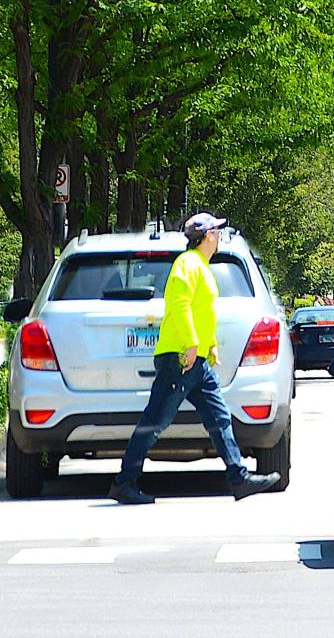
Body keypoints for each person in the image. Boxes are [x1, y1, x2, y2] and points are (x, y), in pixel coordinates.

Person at [111, 214, 282, 505]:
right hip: (179, 358)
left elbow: (202, 312)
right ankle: (124, 483)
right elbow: (179, 305)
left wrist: (209, 344)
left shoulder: (201, 266)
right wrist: (191, 344)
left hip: (196, 361)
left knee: (219, 417)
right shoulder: (187, 264)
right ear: (207, 236)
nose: (220, 235)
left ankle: (238, 478)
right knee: (155, 421)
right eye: (217, 230)